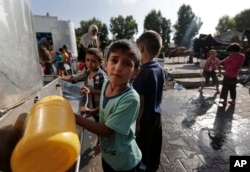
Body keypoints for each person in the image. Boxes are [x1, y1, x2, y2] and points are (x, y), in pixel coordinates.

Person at [75, 39, 142, 172]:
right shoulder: (106, 83)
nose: (118, 67)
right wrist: (93, 111)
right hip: (108, 157)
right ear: (106, 64)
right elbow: (107, 107)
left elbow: (106, 130)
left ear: (135, 72)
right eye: (114, 60)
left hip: (124, 162)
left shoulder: (131, 99)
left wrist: (75, 118)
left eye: (127, 63)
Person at [132, 30, 165, 172]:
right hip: (157, 115)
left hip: (145, 119)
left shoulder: (142, 73)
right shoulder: (159, 68)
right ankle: (154, 165)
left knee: (143, 148)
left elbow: (140, 102)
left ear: (141, 48)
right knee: (155, 145)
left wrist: (137, 123)